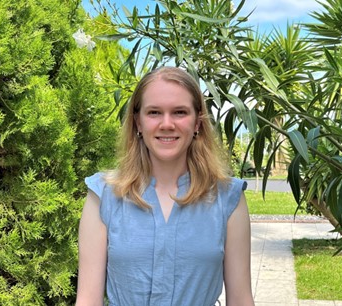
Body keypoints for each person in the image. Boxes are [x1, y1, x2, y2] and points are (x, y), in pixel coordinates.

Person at [76, 66, 254, 306]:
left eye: (179, 112)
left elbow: (241, 300)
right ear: (138, 122)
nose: (167, 124)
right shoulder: (104, 196)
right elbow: (87, 300)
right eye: (154, 113)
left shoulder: (228, 198)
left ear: (198, 122)